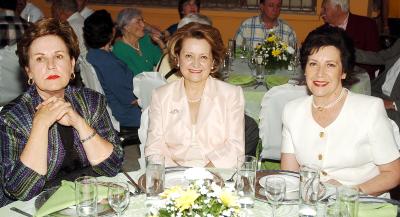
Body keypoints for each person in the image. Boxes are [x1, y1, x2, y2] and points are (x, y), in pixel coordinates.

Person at [0, 18, 123, 205]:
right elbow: (20, 191)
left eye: (59, 56)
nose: (51, 65)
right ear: (29, 71)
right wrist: (40, 125)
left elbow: (112, 167)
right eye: (40, 58)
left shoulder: (91, 101)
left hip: (86, 202)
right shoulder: (12, 118)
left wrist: (80, 123)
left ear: (72, 64)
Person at [281, 26, 400, 196]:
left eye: (330, 65)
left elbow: (393, 173)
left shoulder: (369, 110)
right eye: (313, 64)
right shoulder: (292, 111)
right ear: (305, 69)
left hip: (361, 204)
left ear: (343, 72)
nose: (319, 73)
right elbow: (290, 176)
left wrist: (349, 193)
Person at [145, 23, 245, 168]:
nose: (195, 64)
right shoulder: (161, 96)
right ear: (178, 59)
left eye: (203, 57)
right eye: (188, 56)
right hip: (172, 177)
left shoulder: (231, 95)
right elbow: (155, 148)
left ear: (213, 62)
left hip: (218, 175)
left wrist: (203, 176)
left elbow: (235, 148)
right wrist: (178, 177)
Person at [84, 10, 141, 140]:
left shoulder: (92, 55)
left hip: (113, 107)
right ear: (112, 33)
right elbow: (130, 99)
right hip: (126, 114)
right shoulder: (109, 64)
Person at [320, 0, 381, 79]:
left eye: (325, 9)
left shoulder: (366, 25)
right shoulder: (321, 31)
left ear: (338, 8)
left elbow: (374, 59)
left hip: (357, 80)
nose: (321, 13)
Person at [355, 39, 400, 128]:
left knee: (358, 115)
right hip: (378, 91)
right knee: (347, 98)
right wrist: (349, 53)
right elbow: (382, 57)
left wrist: (393, 104)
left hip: (395, 107)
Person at [113, 8, 166, 76]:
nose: (143, 25)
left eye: (142, 21)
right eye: (138, 22)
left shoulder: (145, 40)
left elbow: (164, 62)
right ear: (127, 27)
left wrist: (160, 43)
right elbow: (136, 77)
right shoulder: (120, 49)